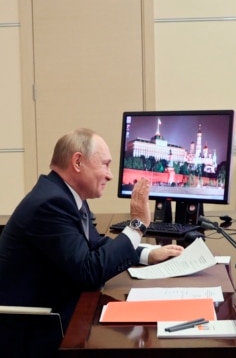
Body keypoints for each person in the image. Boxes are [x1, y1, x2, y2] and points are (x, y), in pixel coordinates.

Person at [0, 128, 184, 357]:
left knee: (139, 325)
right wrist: (137, 226)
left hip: (63, 307)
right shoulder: (50, 204)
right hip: (38, 326)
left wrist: (146, 254)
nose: (110, 175)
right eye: (105, 165)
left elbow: (94, 244)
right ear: (78, 162)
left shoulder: (64, 195)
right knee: (141, 335)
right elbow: (89, 270)